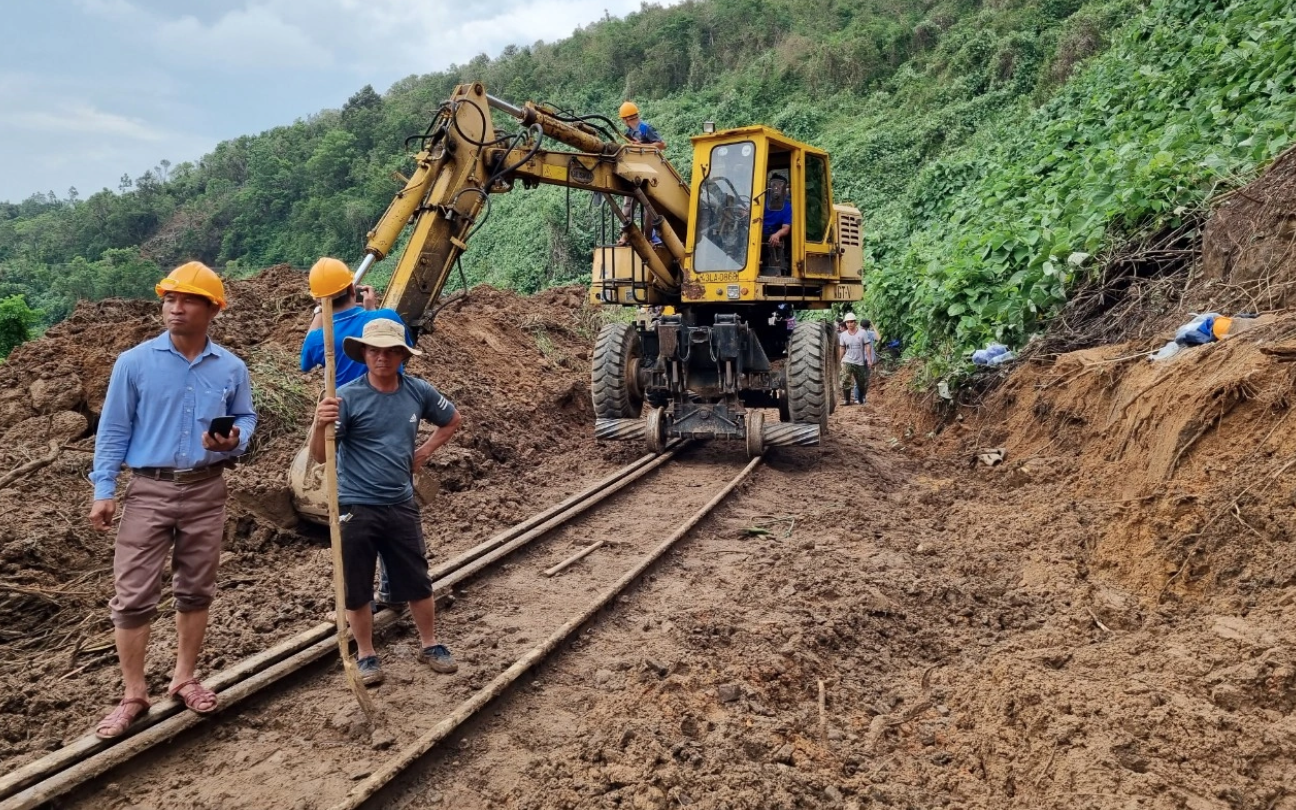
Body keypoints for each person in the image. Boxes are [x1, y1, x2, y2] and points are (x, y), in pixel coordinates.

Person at [89, 261, 257, 739]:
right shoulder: (134, 363)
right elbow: (114, 429)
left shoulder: (231, 367)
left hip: (207, 488)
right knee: (133, 595)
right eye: (169, 300)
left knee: (196, 589)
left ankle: (184, 677)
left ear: (212, 310)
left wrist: (234, 441)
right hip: (149, 488)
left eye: (187, 301)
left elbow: (245, 417)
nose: (175, 309)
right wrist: (104, 489)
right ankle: (133, 695)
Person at [310, 318, 463, 686]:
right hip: (355, 505)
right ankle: (366, 653)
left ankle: (430, 644)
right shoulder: (345, 397)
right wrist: (319, 424)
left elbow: (452, 418)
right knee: (357, 584)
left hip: (400, 501)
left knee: (417, 578)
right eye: (375, 350)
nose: (382, 357)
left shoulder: (417, 391)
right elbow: (319, 456)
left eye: (391, 351)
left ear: (401, 355)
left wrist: (424, 451)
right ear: (364, 353)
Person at [301, 257, 410, 608]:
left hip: (343, 422)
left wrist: (320, 313)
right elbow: (396, 344)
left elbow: (306, 360)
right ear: (353, 288)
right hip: (389, 416)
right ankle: (394, 587)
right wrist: (373, 309)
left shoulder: (320, 337)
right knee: (392, 505)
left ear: (321, 299)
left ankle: (364, 592)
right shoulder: (383, 321)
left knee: (359, 505)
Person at [617, 101, 665, 245]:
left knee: (649, 208)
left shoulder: (645, 128)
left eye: (624, 120)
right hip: (635, 172)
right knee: (628, 204)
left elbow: (662, 145)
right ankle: (625, 236)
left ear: (626, 119)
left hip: (650, 173)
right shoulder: (629, 133)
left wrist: (642, 146)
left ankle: (648, 238)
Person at [838, 312, 874, 406]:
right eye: (847, 322)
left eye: (851, 322)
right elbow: (842, 348)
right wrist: (839, 360)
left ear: (855, 322)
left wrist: (869, 359)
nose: (849, 324)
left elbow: (867, 346)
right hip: (847, 360)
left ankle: (861, 398)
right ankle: (846, 400)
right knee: (845, 379)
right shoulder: (843, 335)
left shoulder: (862, 333)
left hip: (859, 361)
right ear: (845, 323)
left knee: (861, 381)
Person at [762, 174, 793, 275]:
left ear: (784, 188)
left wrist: (777, 234)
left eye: (780, 185)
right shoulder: (761, 201)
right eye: (774, 185)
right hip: (757, 232)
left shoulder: (787, 207)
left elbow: (786, 228)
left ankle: (780, 269)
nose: (777, 188)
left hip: (772, 234)